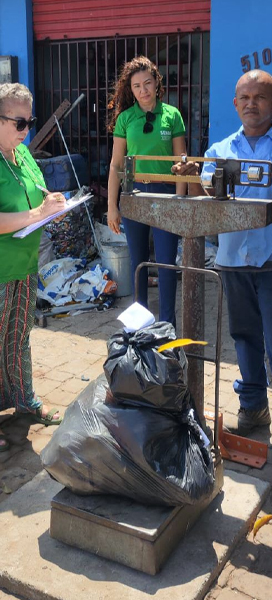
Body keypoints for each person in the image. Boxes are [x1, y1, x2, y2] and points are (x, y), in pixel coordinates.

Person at [174, 69, 272, 435]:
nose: (251, 104)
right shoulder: (220, 151)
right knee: (244, 336)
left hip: (271, 262)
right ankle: (254, 407)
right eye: (245, 98)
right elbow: (203, 197)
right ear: (235, 104)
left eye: (259, 97)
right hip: (233, 262)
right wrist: (188, 176)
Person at [0, 83, 67, 452]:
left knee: (19, 336)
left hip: (25, 263)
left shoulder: (21, 153)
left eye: (29, 122)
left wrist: (52, 202)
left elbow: (37, 193)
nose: (26, 130)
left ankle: (24, 398)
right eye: (20, 122)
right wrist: (36, 213)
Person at [107, 56, 187, 327]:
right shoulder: (126, 119)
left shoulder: (172, 115)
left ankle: (167, 327)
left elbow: (181, 162)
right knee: (138, 263)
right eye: (137, 86)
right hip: (135, 195)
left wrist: (179, 199)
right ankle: (139, 326)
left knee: (166, 264)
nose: (143, 90)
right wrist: (112, 206)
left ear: (157, 83)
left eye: (147, 83)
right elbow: (116, 164)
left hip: (165, 194)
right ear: (131, 89)